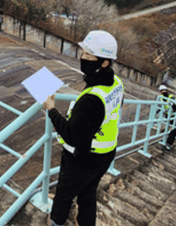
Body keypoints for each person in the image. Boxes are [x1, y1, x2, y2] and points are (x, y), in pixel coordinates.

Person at [42, 30, 124, 226]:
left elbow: (72, 135)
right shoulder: (116, 83)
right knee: (87, 194)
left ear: (104, 62)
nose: (83, 58)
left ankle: (56, 223)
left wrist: (51, 109)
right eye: (83, 53)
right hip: (105, 154)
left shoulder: (91, 99)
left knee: (63, 195)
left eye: (89, 55)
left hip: (83, 157)